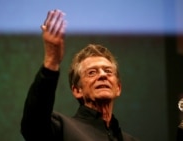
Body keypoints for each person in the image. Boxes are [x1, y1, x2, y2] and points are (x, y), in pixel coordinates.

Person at [20, 9, 139, 141]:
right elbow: (33, 126)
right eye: (92, 72)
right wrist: (51, 60)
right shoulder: (62, 129)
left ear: (118, 88)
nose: (102, 75)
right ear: (77, 90)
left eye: (108, 71)